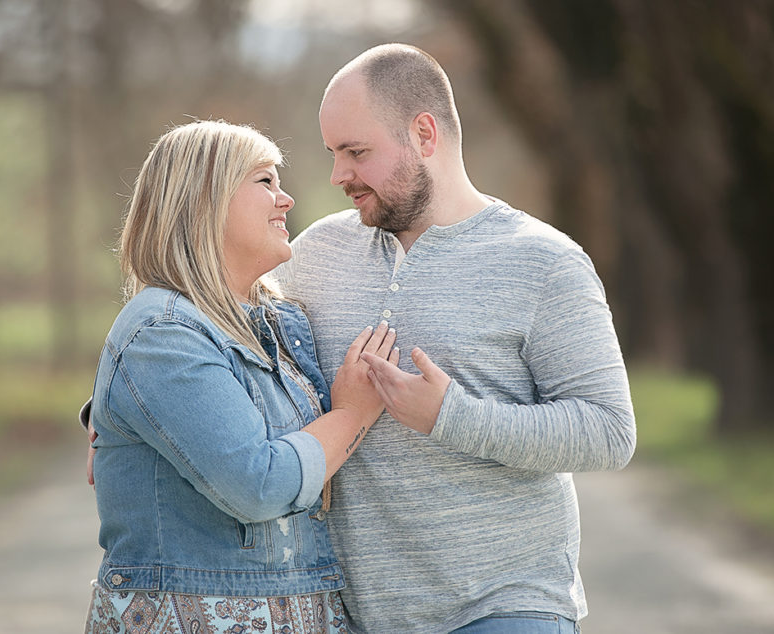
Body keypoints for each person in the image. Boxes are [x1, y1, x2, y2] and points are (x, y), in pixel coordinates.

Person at [270, 44, 636, 633]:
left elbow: (609, 432)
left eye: (356, 152)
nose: (339, 175)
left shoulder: (543, 261)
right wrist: (114, 410)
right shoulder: (314, 254)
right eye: (333, 154)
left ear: (423, 134)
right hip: (354, 613)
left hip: (506, 605)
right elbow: (217, 333)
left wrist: (450, 416)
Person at [82, 119, 398, 634]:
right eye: (265, 181)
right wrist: (354, 414)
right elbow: (258, 484)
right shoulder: (161, 330)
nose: (286, 199)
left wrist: (106, 410)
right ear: (202, 200)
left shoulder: (276, 318)